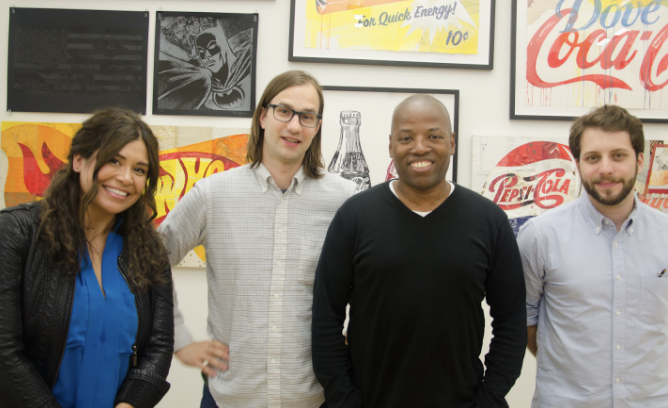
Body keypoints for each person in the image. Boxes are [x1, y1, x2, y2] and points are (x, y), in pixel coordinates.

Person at [312, 94, 527, 408]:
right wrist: (344, 400)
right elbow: (325, 317)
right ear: (390, 146)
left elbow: (511, 321)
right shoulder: (355, 216)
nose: (420, 147)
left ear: (451, 142)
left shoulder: (489, 220)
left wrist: (489, 399)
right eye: (406, 137)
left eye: (434, 136)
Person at [160, 70, 357, 407]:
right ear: (263, 116)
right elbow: (148, 263)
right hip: (229, 396)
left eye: (307, 116)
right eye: (284, 111)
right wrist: (178, 339)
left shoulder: (345, 198)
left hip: (314, 397)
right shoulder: (213, 194)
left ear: (317, 127)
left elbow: (374, 281)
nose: (294, 126)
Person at [517, 105, 668, 408]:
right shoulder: (540, 236)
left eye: (618, 155)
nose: (605, 168)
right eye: (593, 157)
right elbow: (524, 321)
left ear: (639, 160)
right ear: (577, 163)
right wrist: (572, 369)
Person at [0, 107, 174, 408]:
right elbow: (4, 349)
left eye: (140, 169)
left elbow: (159, 346)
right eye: (113, 160)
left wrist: (130, 404)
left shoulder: (148, 249)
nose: (125, 177)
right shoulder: (18, 231)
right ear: (78, 160)